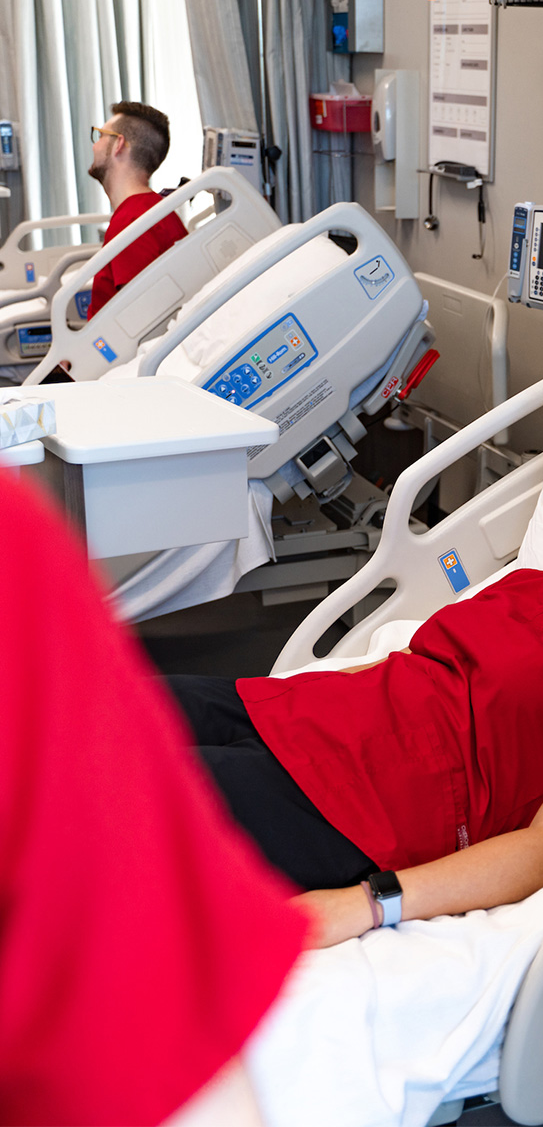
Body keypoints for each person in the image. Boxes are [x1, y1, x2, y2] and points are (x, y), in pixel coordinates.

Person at [169, 450, 543, 948]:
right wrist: (300, 689)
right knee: (130, 705)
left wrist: (368, 904)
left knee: (138, 790)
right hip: (301, 711)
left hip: (361, 802)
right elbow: (410, 661)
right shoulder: (529, 585)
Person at [0, 467, 308, 1126]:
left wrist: (378, 903)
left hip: (389, 776)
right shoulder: (14, 554)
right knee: (164, 733)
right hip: (324, 714)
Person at [87, 100, 187, 317]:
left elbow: (139, 322)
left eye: (100, 135)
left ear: (118, 144)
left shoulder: (132, 224)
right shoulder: (154, 211)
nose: (94, 146)